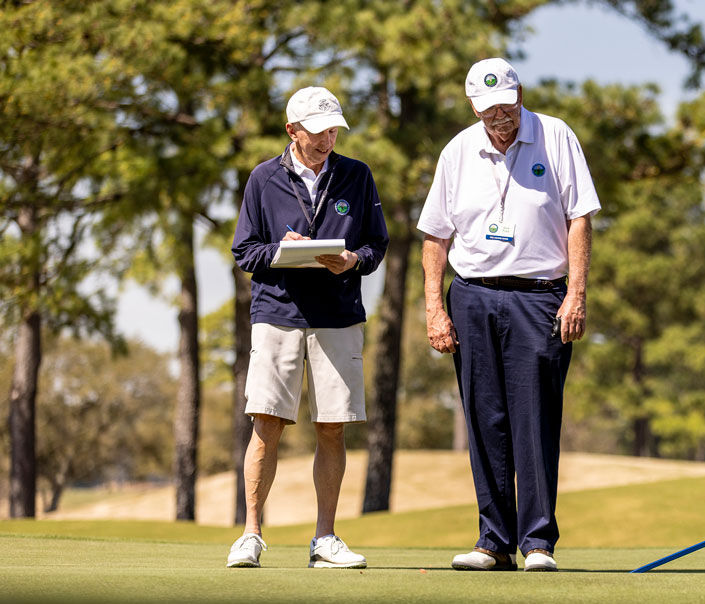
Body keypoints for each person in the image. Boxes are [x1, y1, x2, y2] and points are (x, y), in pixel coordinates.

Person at [418, 58, 600, 572]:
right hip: (471, 296)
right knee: (485, 420)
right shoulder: (458, 150)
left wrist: (576, 294)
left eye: (507, 107)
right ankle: (493, 542)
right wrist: (435, 306)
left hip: (539, 296)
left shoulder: (556, 136)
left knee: (534, 420)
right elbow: (435, 235)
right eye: (489, 111)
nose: (501, 119)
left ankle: (538, 542)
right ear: (473, 108)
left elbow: (579, 218)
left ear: (521, 96)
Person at [226, 86, 389, 568]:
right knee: (267, 425)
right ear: (292, 129)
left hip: (338, 317)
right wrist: (284, 250)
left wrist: (352, 260)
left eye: (333, 130)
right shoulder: (263, 178)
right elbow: (245, 252)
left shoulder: (357, 175)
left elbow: (376, 246)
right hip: (277, 314)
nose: (327, 139)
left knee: (332, 428)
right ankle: (251, 534)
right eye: (318, 131)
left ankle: (325, 539)